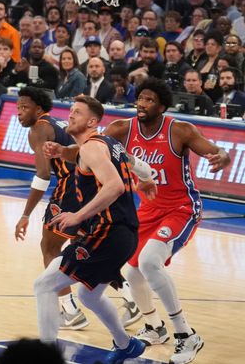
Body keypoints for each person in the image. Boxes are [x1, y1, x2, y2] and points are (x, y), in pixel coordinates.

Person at [48, 79, 230, 364]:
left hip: (181, 208)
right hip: (146, 210)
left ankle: (186, 335)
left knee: (148, 263)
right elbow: (92, 148)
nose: (141, 104)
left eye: (148, 100)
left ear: (162, 106)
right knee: (133, 273)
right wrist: (62, 152)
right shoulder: (122, 128)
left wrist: (222, 156)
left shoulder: (180, 130)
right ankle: (155, 327)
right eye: (140, 98)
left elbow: (215, 150)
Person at [34, 95, 146, 364]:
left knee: (44, 285)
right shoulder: (107, 144)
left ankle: (46, 357)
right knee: (89, 294)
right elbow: (131, 163)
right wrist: (149, 177)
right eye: (71, 111)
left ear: (93, 121)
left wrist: (77, 216)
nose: (70, 115)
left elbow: (115, 186)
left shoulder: (91, 148)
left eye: (78, 112)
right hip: (121, 234)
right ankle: (125, 344)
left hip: (109, 231)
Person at [14, 87, 89, 331]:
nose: (19, 113)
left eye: (25, 107)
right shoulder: (55, 123)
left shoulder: (39, 129)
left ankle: (70, 310)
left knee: (49, 246)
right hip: (89, 185)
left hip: (71, 186)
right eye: (17, 107)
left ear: (38, 109)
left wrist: (25, 214)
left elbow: (43, 175)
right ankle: (129, 296)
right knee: (91, 245)